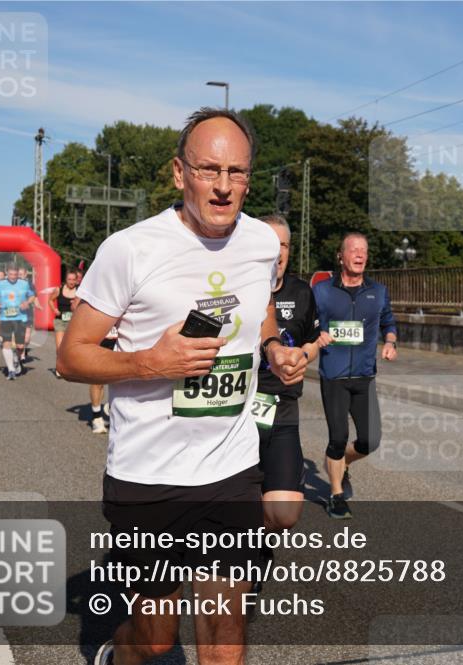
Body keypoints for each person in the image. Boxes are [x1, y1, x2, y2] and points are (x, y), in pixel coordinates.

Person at [57, 107, 307, 665]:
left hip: (232, 469)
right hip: (149, 477)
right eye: (208, 170)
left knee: (225, 642)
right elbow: (71, 358)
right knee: (154, 640)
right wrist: (149, 363)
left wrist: (272, 348)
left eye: (237, 172)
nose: (223, 187)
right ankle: (113, 654)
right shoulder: (130, 249)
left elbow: (259, 306)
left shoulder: (262, 243)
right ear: (178, 172)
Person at [313, 232, 397, 520]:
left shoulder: (379, 292)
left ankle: (341, 462)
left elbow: (388, 320)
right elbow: (308, 323)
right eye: (354, 250)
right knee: (338, 437)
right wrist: (317, 335)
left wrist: (390, 341)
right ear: (341, 256)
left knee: (370, 440)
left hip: (363, 375)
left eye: (364, 251)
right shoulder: (322, 291)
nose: (360, 255)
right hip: (333, 375)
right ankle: (336, 495)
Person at [256, 214, 320, 532]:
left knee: (284, 515)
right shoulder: (234, 289)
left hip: (281, 409)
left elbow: (313, 341)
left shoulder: (302, 293)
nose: (278, 252)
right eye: (271, 243)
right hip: (237, 410)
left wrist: (303, 356)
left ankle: (260, 538)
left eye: (284, 245)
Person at [0, 265, 35, 380]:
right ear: (7, 273)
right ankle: (11, 370)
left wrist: (27, 303)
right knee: (6, 343)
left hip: (21, 318)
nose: (13, 277)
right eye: (11, 275)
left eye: (15, 275)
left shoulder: (24, 284)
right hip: (5, 318)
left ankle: (17, 359)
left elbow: (32, 296)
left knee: (20, 346)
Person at [51, 271, 80, 378]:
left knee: (71, 347)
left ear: (77, 280)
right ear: (66, 280)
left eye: (73, 280)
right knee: (60, 347)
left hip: (74, 323)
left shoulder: (79, 292)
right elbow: (50, 300)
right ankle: (59, 368)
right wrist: (54, 309)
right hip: (60, 321)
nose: (71, 282)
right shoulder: (59, 289)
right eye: (69, 279)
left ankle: (70, 368)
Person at [18, 266, 37, 363]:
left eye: (21, 274)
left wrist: (27, 303)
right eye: (18, 274)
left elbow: (33, 296)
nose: (20, 276)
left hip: (28, 312)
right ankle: (21, 355)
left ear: (25, 274)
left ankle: (23, 349)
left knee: (27, 338)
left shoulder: (30, 285)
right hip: (16, 313)